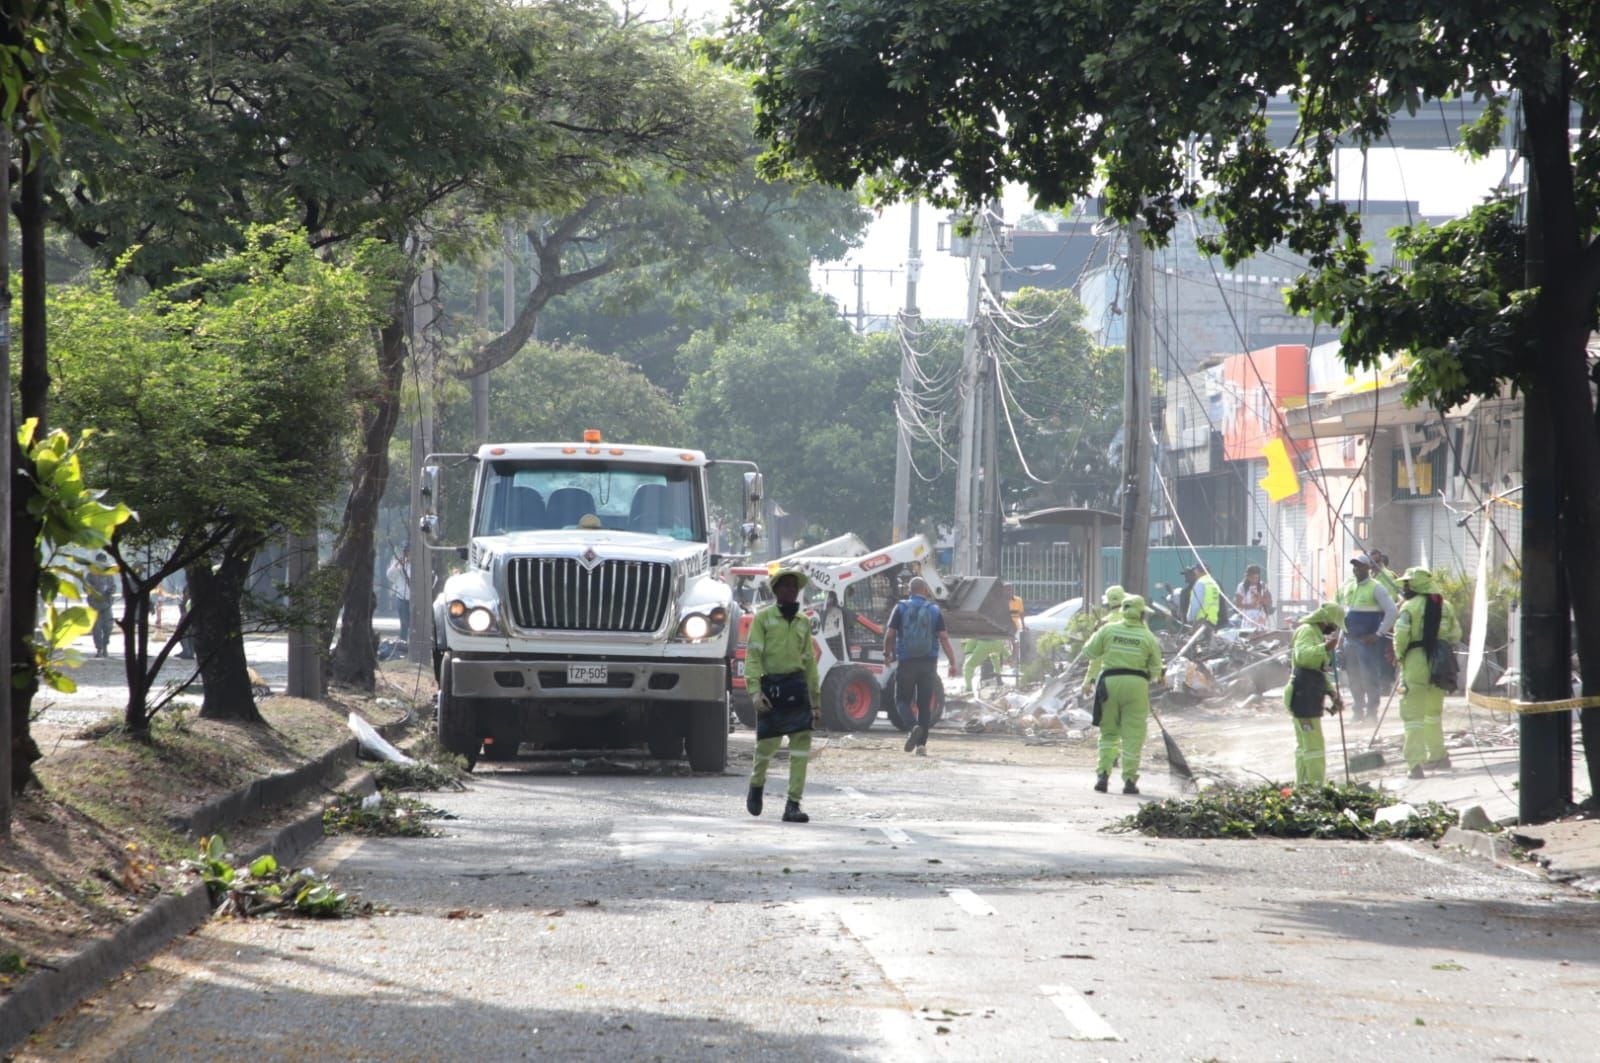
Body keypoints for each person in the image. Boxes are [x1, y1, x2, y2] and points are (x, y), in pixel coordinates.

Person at [744, 567, 823, 822]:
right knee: (767, 746)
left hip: (797, 688)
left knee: (800, 749)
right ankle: (756, 785)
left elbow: (809, 663)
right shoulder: (763, 619)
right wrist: (755, 692)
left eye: (794, 586)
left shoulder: (803, 622)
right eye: (786, 585)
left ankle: (793, 805)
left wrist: (815, 702)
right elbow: (753, 656)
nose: (791, 590)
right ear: (776, 590)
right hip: (772, 690)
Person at [1082, 593, 1164, 795]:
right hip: (1137, 686)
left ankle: (1103, 775)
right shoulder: (1148, 637)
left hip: (1109, 684)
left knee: (1108, 733)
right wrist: (1154, 676)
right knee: (1133, 735)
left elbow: (1089, 652)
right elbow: (1156, 670)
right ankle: (1129, 781)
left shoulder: (1108, 629)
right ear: (1142, 614)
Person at [1392, 566, 1463, 778]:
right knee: (1433, 714)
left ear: (1416, 585)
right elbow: (1456, 634)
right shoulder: (1445, 606)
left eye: (1407, 583)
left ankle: (1415, 764)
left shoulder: (1409, 607)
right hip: (1440, 665)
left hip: (1415, 662)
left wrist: (1400, 656)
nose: (1405, 587)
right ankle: (1438, 755)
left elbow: (1401, 636)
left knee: (1413, 716)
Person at [883, 576, 960, 756]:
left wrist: (887, 654)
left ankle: (913, 727)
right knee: (924, 705)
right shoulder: (934, 610)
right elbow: (943, 637)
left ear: (909, 591)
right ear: (925, 591)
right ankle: (921, 746)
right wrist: (952, 662)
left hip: (907, 661)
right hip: (929, 662)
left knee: (901, 700)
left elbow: (890, 634)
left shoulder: (900, 608)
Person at [1283, 602, 1346, 786]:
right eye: (1333, 625)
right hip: (1303, 693)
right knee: (1313, 745)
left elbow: (1318, 670)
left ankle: (1302, 784)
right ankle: (1315, 785)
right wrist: (1325, 648)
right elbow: (1303, 657)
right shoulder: (1307, 631)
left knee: (1306, 744)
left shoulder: (1316, 635)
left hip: (1310, 691)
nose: (1333, 629)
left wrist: (1333, 693)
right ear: (1325, 620)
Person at [1338, 554, 1397, 723]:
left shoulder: (1376, 588)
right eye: (1355, 566)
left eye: (1360, 566)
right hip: (1350, 640)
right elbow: (1344, 615)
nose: (1356, 569)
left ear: (1368, 568)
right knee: (1354, 678)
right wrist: (1340, 639)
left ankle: (1371, 713)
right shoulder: (1350, 587)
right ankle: (1358, 711)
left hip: (1367, 642)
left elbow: (1392, 611)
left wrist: (1379, 633)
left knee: (1369, 677)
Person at [1081, 585, 1127, 693]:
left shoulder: (1103, 625)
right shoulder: (1137, 622)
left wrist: (1089, 680)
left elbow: (1097, 657)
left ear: (1108, 603)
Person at [86, 553, 118, 658]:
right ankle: (99, 649)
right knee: (96, 629)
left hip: (107, 605)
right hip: (94, 606)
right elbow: (85, 586)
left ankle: (105, 646)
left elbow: (113, 587)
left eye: (103, 561)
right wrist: (93, 590)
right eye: (100, 561)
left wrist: (110, 591)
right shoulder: (90, 574)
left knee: (108, 627)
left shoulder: (109, 575)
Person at [1183, 562, 1223, 630]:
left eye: (1195, 570)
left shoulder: (1200, 583)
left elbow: (1196, 605)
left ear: (1198, 571)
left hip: (1201, 622)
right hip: (1212, 621)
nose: (1194, 572)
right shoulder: (1214, 583)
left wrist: (1190, 618)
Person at [1235, 564, 1274, 631]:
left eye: (1256, 578)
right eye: (1252, 578)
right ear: (1247, 577)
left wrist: (1260, 598)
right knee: (1248, 634)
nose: (1254, 580)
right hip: (1247, 616)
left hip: (1260, 615)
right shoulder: (1241, 586)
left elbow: (1269, 601)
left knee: (1260, 632)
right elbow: (1238, 604)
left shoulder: (1262, 585)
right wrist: (1252, 606)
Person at [387, 548, 412, 645]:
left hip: (414, 599)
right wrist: (397, 563)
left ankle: (413, 643)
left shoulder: (417, 566)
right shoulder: (399, 565)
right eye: (407, 553)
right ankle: (403, 643)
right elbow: (389, 575)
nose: (409, 555)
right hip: (402, 598)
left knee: (413, 624)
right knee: (404, 623)